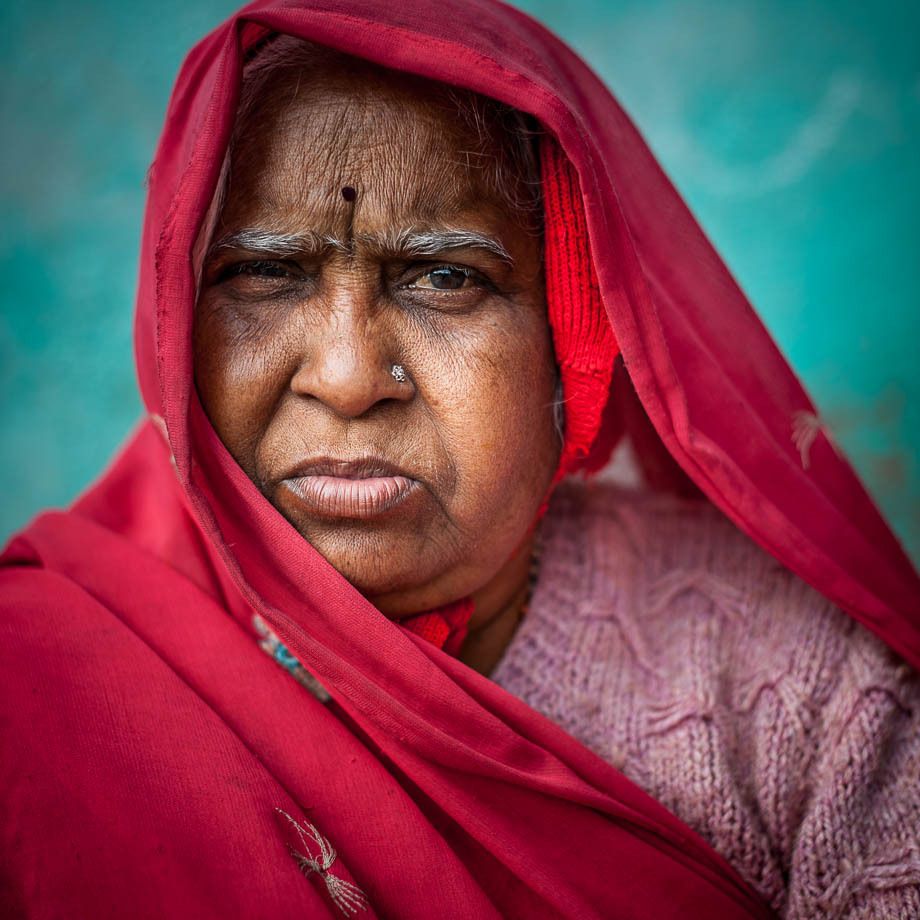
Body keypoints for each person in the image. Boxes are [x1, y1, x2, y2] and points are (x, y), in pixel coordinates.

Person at [2, 1, 918, 917]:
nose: (351, 378)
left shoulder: (800, 685)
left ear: (574, 336)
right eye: (263, 274)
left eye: (446, 278)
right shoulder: (38, 677)